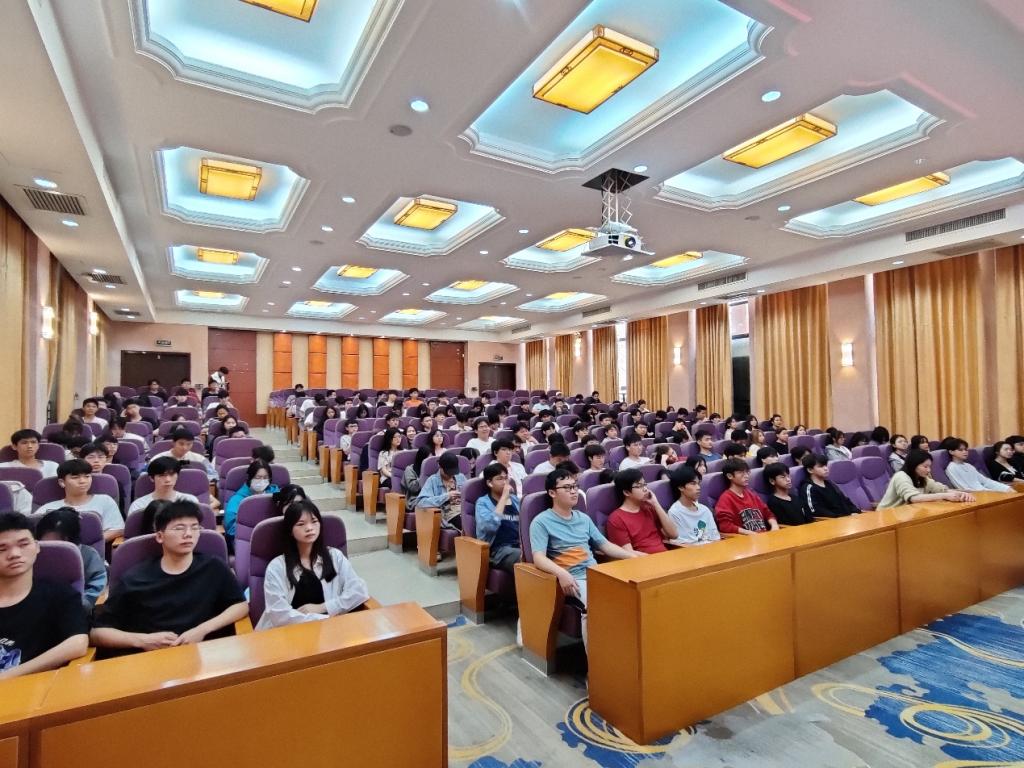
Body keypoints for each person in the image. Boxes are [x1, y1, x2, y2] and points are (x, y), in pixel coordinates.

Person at [91, 500, 247, 657]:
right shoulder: (135, 579)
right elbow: (97, 633)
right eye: (179, 528)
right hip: (152, 659)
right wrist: (142, 640)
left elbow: (240, 606)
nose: (188, 534)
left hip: (205, 655)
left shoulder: (214, 567)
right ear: (160, 536)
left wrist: (202, 629)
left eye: (194, 528)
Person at [529, 469, 643, 645]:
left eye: (575, 486)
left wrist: (632, 557)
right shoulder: (541, 521)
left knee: (633, 598)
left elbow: (604, 545)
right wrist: (562, 573)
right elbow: (538, 557)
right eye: (567, 487)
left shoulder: (583, 518)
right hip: (572, 579)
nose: (574, 491)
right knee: (595, 607)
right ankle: (597, 660)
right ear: (552, 493)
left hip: (595, 573)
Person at [0, 512, 89, 678]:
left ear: (37, 547)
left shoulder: (60, 595)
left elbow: (78, 642)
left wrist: (8, 677)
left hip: (38, 687)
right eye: (2, 549)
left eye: (23, 544)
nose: (14, 554)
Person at [255, 500, 369, 629]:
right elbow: (279, 615)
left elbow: (359, 591)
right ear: (290, 530)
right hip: (288, 633)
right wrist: (326, 619)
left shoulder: (334, 556)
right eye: (301, 524)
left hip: (329, 631)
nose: (309, 528)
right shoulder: (277, 567)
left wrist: (323, 608)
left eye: (314, 521)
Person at [34, 507, 107, 608]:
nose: (52, 546)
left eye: (58, 542)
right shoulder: (33, 553)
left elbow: (96, 585)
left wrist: (82, 605)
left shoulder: (88, 555)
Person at [36, 459, 124, 542]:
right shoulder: (48, 508)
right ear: (62, 482)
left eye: (87, 476)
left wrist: (93, 542)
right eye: (75, 477)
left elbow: (117, 529)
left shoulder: (104, 501)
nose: (82, 481)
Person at [606, 469, 677, 554]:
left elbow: (674, 534)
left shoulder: (650, 508)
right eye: (639, 486)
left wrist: (656, 504)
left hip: (664, 556)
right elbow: (628, 553)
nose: (645, 489)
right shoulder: (616, 518)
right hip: (643, 560)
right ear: (626, 492)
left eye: (645, 484)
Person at [877, 450, 975, 509]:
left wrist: (961, 494)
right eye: (925, 466)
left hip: (905, 514)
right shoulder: (901, 476)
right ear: (913, 465)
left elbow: (941, 489)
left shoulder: (922, 478)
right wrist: (945, 495)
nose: (929, 470)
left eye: (929, 466)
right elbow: (914, 498)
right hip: (887, 516)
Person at [474, 463, 521, 572]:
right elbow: (489, 527)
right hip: (498, 550)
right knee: (524, 557)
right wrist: (504, 497)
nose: (504, 482)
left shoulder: (515, 500)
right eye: (499, 479)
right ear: (489, 483)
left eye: (506, 478)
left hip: (518, 545)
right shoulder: (482, 502)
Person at [223, 460, 280, 548]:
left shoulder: (276, 493)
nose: (262, 481)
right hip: (247, 540)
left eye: (265, 478)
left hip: (274, 536)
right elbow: (231, 529)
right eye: (258, 477)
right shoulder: (238, 499)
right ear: (250, 478)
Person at [714, 459, 779, 534]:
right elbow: (725, 526)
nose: (746, 476)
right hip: (745, 538)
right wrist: (749, 533)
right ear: (729, 476)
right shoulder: (725, 498)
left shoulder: (751, 493)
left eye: (747, 472)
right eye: (741, 473)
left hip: (764, 536)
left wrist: (774, 525)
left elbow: (768, 513)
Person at [665, 465, 720, 546]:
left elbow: (715, 537)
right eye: (693, 484)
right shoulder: (675, 512)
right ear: (681, 487)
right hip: (691, 551)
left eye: (698, 483)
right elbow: (680, 543)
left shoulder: (704, 510)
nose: (698, 487)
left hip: (713, 549)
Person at [128, 456, 199, 515]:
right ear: (152, 478)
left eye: (172, 474)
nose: (168, 479)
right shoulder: (139, 505)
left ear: (177, 476)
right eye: (162, 475)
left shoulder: (190, 501)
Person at [414, 452, 467, 529]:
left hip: (465, 510)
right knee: (468, 526)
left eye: (453, 473)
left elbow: (470, 496)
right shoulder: (433, 480)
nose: (450, 475)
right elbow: (421, 503)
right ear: (440, 466)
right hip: (450, 514)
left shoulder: (460, 477)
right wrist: (446, 496)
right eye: (448, 473)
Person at [151, 427, 218, 484]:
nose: (185, 448)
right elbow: (147, 475)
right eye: (181, 444)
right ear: (173, 443)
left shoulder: (200, 459)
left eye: (189, 444)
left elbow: (213, 475)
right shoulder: (157, 459)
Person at [943, 439, 1012, 493]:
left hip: (986, 492)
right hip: (977, 495)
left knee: (1011, 492)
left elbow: (985, 481)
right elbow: (964, 489)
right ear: (951, 452)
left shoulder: (968, 465)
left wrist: (1005, 488)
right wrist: (993, 492)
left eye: (966, 449)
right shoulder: (951, 468)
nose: (965, 452)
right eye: (960, 450)